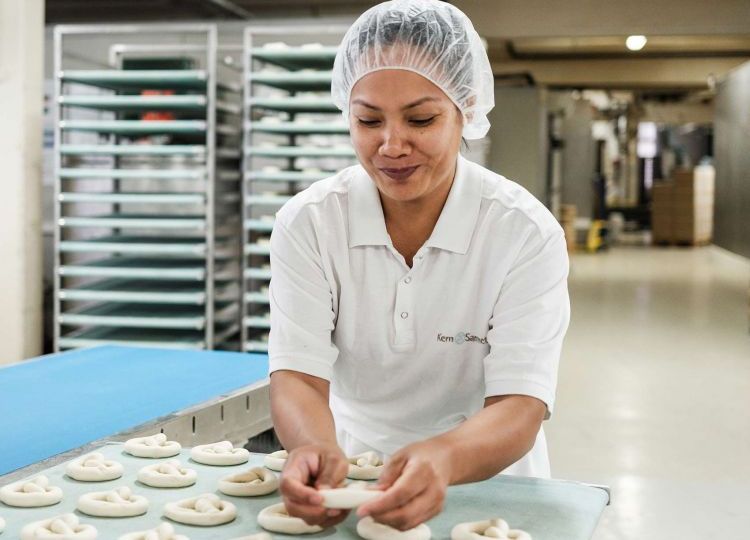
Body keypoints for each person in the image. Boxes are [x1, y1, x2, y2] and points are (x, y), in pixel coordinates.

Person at [267, 0, 570, 532]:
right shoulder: (311, 222)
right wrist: (314, 446)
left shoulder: (523, 232)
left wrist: (445, 457)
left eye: (421, 118)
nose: (391, 145)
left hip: (493, 484)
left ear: (467, 109)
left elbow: (520, 404)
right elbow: (298, 374)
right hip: (355, 475)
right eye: (367, 120)